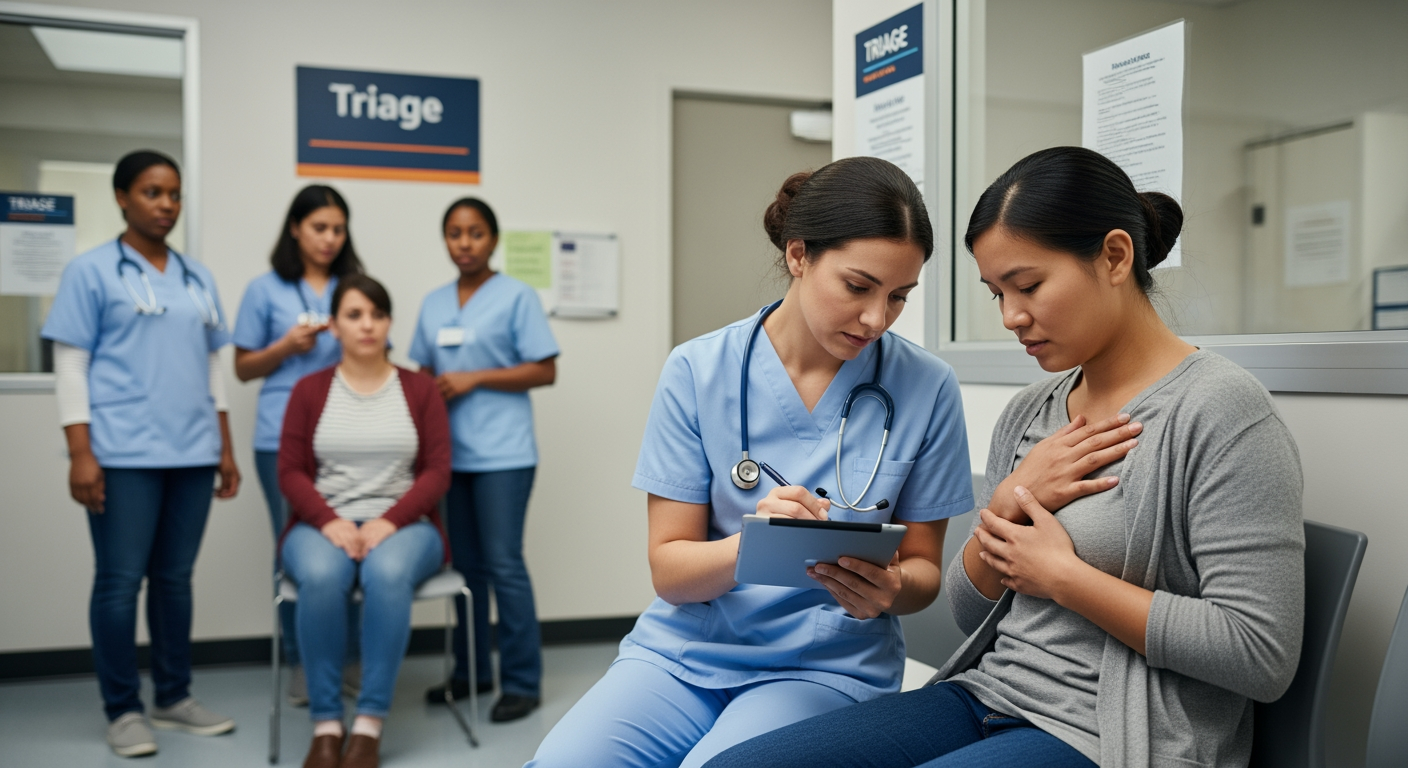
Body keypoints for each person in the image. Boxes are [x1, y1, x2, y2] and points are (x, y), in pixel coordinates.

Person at [703, 146, 1306, 768]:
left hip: (1112, 733)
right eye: (997, 293)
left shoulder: (1220, 410)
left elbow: (1260, 654)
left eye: (1029, 285)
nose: (1012, 317)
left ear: (1116, 256)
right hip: (986, 695)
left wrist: (1066, 580)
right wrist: (1009, 501)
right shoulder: (1032, 411)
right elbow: (972, 610)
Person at [527, 156, 974, 768]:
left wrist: (890, 588)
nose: (877, 318)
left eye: (899, 296)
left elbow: (923, 571)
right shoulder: (697, 370)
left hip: (825, 664)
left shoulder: (926, 386)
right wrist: (756, 545)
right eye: (858, 286)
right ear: (798, 256)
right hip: (685, 651)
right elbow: (670, 570)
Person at [42, 150, 240, 758]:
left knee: (175, 581)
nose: (166, 205)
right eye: (153, 193)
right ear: (123, 197)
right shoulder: (91, 272)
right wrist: (81, 452)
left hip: (192, 450)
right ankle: (123, 709)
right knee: (120, 582)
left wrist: (224, 447)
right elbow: (70, 364)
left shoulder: (195, 276)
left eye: (174, 194)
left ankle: (174, 697)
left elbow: (213, 366)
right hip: (123, 452)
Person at [278, 274, 451, 768]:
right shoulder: (310, 390)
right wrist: (328, 520)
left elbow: (438, 471)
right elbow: (288, 471)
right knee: (324, 573)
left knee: (386, 573)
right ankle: (327, 725)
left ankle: (369, 725)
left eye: (377, 314)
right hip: (320, 523)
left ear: (389, 322)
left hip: (406, 525)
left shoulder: (419, 390)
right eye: (354, 315)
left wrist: (390, 521)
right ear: (334, 326)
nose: (367, 325)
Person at [408, 198, 559, 723]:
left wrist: (475, 377)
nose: (464, 243)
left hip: (503, 454)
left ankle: (521, 681)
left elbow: (545, 370)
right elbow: (422, 374)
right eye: (454, 233)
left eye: (475, 233)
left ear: (492, 240)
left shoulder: (517, 297)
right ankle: (470, 673)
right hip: (450, 457)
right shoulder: (431, 304)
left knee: (503, 564)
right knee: (465, 568)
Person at [233, 184, 364, 704]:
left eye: (337, 229)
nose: (329, 239)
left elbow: (379, 353)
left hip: (348, 435)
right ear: (295, 228)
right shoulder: (264, 290)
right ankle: (302, 663)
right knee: (296, 551)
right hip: (281, 438)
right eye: (318, 228)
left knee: (351, 543)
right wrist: (287, 346)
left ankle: (349, 660)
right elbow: (243, 367)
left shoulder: (352, 289)